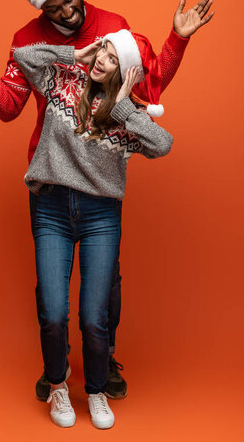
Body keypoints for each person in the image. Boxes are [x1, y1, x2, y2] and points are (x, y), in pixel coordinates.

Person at [0, 0, 214, 401]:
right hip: (50, 177)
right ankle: (58, 368)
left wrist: (177, 38)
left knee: (103, 292)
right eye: (55, 7)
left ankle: (105, 361)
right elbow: (8, 106)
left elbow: (145, 87)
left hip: (100, 178)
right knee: (52, 299)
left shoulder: (112, 27)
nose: (67, 12)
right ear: (42, 7)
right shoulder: (28, 40)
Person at [13, 29, 175, 428]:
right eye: (104, 50)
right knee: (53, 312)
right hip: (51, 207)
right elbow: (21, 56)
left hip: (101, 215)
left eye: (113, 58)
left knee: (93, 316)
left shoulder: (128, 116)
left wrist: (123, 109)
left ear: (127, 73)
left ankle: (97, 391)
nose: (103, 59)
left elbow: (163, 143)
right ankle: (57, 387)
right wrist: (74, 52)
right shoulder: (63, 81)